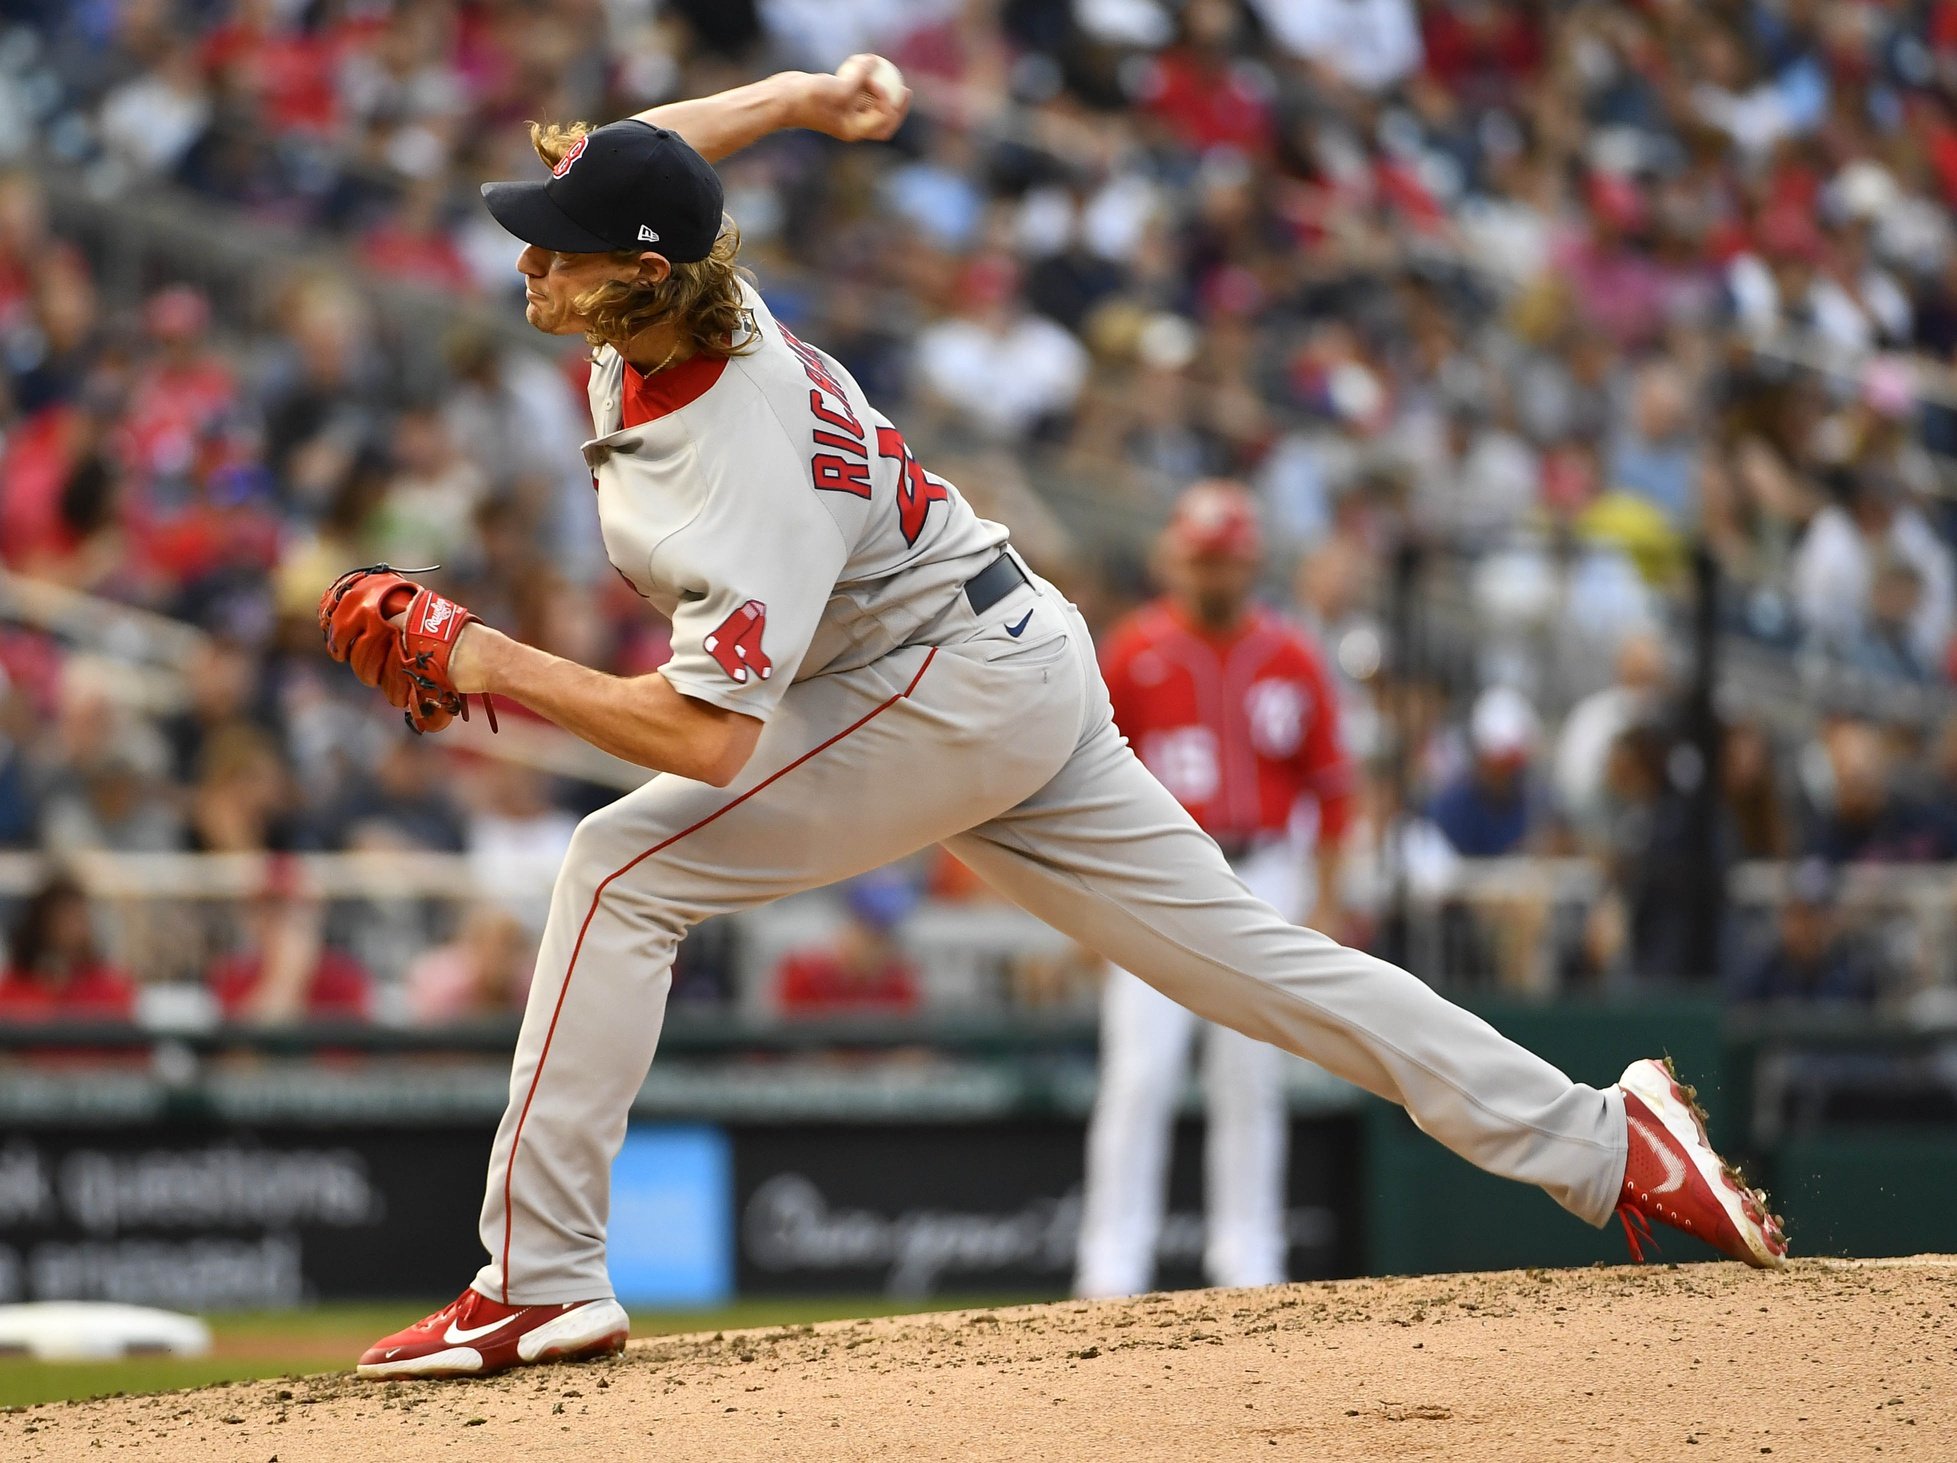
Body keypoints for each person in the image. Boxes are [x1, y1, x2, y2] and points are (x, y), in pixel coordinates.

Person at [332, 58, 1785, 1382]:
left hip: (937, 685)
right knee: (1257, 967)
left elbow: (710, 737)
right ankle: (1607, 1143)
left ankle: (538, 1278)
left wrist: (482, 655)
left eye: (556, 245)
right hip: (1000, 657)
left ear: (640, 277)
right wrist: (804, 93)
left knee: (619, 869)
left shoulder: (730, 451)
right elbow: (658, 145)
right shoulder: (687, 286)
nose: (526, 257)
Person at [1075, 479, 1353, 1299]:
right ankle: (1111, 1269)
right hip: (1154, 870)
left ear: (1251, 560)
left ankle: (1248, 1262)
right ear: (1172, 558)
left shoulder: (1292, 652)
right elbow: (1080, 778)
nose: (1212, 575)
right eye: (1199, 559)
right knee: (1140, 1073)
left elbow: (1333, 789)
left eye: (1225, 559)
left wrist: (1326, 903)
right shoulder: (1132, 648)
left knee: (1248, 1074)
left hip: (1264, 867)